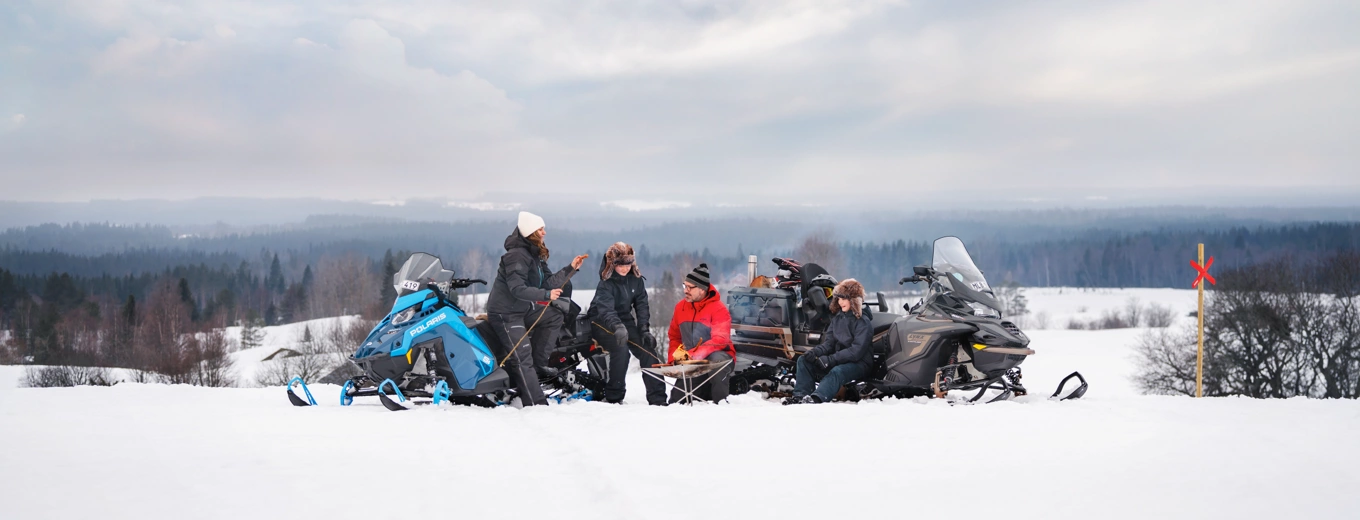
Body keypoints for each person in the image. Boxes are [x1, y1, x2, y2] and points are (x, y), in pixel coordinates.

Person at [485, 211, 587, 407]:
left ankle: (539, 365)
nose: (544, 232)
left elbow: (548, 281)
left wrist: (571, 268)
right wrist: (545, 296)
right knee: (522, 360)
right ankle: (537, 405)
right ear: (531, 232)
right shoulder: (516, 256)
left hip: (522, 308)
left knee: (554, 315)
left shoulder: (534, 254)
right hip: (505, 313)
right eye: (541, 229)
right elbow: (517, 289)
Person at [587, 242, 666, 405]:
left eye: (628, 264)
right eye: (620, 264)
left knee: (648, 349)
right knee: (621, 350)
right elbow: (606, 310)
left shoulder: (636, 280)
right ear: (612, 264)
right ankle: (615, 396)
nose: (625, 268)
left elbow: (642, 305)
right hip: (601, 320)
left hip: (624, 319)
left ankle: (658, 399)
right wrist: (617, 327)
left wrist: (644, 330)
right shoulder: (605, 282)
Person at [785, 279, 872, 405]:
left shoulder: (863, 321)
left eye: (844, 298)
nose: (840, 302)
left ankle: (816, 399)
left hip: (860, 364)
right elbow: (829, 343)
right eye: (838, 298)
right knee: (804, 361)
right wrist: (815, 353)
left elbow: (856, 352)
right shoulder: (837, 319)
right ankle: (801, 396)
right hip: (839, 359)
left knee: (837, 371)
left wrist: (830, 360)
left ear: (853, 299)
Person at [667, 263, 736, 403]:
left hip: (717, 357)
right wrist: (674, 359)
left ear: (702, 290)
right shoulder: (680, 308)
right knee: (676, 402)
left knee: (718, 360)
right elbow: (675, 337)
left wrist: (695, 354)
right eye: (684, 286)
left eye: (690, 287)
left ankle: (721, 403)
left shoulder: (718, 309)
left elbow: (720, 340)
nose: (685, 290)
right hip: (692, 361)